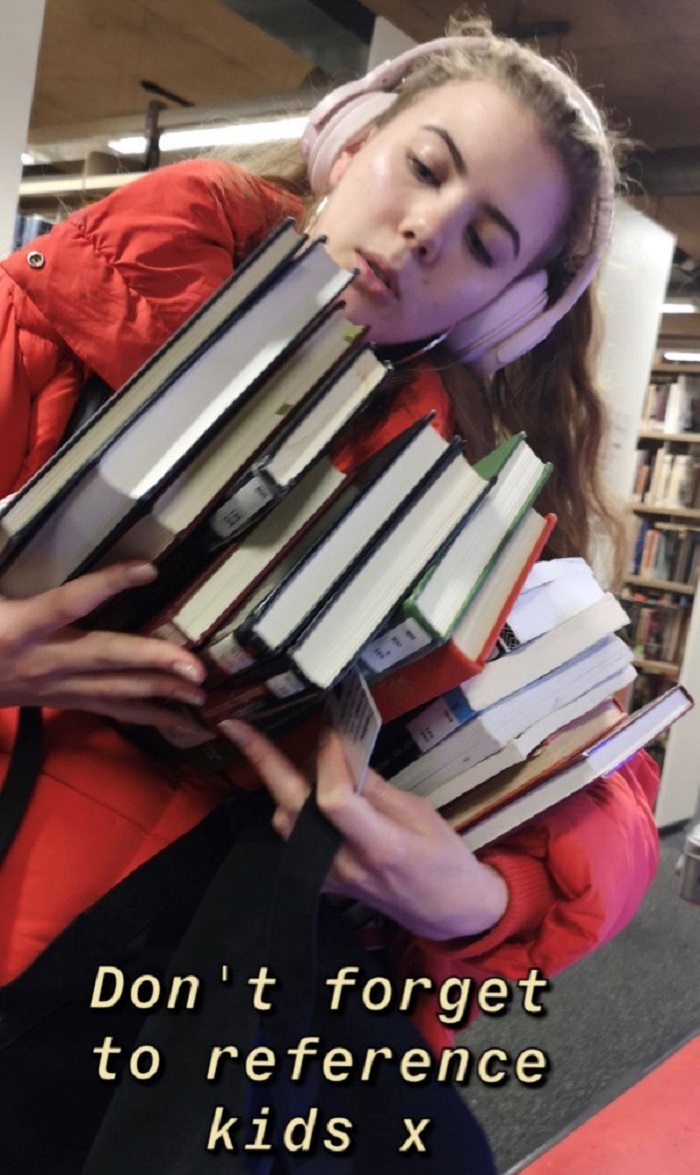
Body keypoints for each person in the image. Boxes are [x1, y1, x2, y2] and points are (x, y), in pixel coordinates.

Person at [0, 14, 659, 1064]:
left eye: (485, 244)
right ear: (348, 146)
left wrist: (478, 895)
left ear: (500, 316)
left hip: (147, 1000)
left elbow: (609, 781)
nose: (425, 230)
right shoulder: (54, 302)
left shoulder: (445, 501)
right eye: (423, 166)